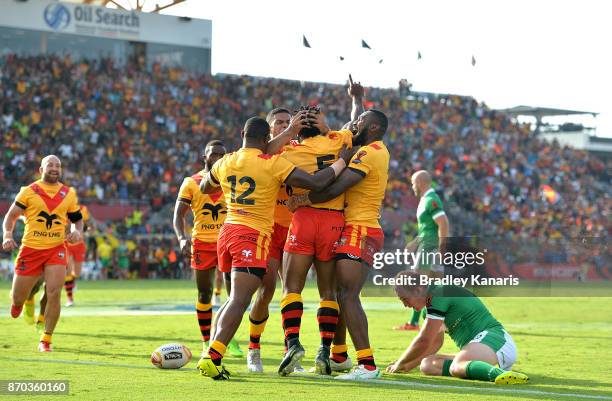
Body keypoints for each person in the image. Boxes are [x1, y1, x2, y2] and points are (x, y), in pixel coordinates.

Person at [196, 116, 351, 380]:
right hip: (252, 234)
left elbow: (204, 186)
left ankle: (211, 352)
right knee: (240, 300)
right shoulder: (272, 162)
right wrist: (342, 161)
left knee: (235, 298)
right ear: (267, 137)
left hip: (227, 232)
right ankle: (213, 356)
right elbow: (315, 182)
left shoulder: (226, 160)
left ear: (243, 132)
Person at [289, 108, 390, 380]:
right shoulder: (370, 148)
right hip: (355, 227)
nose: (355, 123)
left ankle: (367, 365)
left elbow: (335, 188)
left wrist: (304, 200)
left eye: (361, 121)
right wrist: (355, 100)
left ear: (374, 129)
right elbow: (345, 132)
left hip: (361, 228)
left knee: (347, 294)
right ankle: (340, 356)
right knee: (338, 293)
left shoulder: (371, 153)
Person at [386, 271, 528, 385]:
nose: (405, 305)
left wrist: (400, 363)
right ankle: (478, 369)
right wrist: (407, 366)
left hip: (496, 340)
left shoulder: (438, 294)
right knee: (427, 364)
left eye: (405, 299)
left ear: (418, 290)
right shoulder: (428, 308)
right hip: (481, 346)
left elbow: (424, 340)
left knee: (457, 366)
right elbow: (435, 343)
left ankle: (501, 375)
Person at [2, 155, 84, 352]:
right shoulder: (28, 191)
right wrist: (7, 234)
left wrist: (77, 231)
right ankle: (21, 303)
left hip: (56, 249)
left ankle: (45, 340)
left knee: (54, 292)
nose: (55, 168)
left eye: (58, 165)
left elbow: (77, 219)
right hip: (30, 250)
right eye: (50, 165)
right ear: (41, 169)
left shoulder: (68, 193)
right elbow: (11, 216)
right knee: (17, 300)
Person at [173, 139, 243, 358]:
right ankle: (206, 341)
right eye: (214, 154)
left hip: (228, 242)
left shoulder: (231, 181)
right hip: (202, 244)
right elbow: (178, 215)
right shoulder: (191, 182)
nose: (218, 158)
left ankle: (228, 340)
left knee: (235, 296)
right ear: (205, 157)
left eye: (222, 154)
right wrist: (182, 238)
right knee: (204, 294)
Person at [246, 107, 295, 373]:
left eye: (288, 122)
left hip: (294, 229)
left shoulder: (298, 149)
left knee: (292, 292)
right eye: (279, 123)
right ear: (269, 128)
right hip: (269, 228)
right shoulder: (261, 153)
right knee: (266, 291)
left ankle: (290, 351)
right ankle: (254, 348)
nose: (284, 126)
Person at [395, 170, 449, 331]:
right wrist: (415, 242)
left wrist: (442, 247)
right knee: (431, 286)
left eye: (413, 183)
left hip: (430, 247)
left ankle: (415, 322)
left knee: (417, 283)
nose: (412, 187)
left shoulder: (431, 199)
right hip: (427, 244)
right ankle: (438, 322)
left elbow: (443, 223)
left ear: (419, 182)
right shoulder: (426, 199)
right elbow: (428, 228)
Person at [64, 203, 91, 306]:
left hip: (79, 245)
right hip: (67, 244)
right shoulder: (63, 207)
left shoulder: (83, 208)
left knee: (77, 273)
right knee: (68, 272)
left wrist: (86, 229)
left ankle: (72, 283)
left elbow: (86, 224)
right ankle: (70, 299)